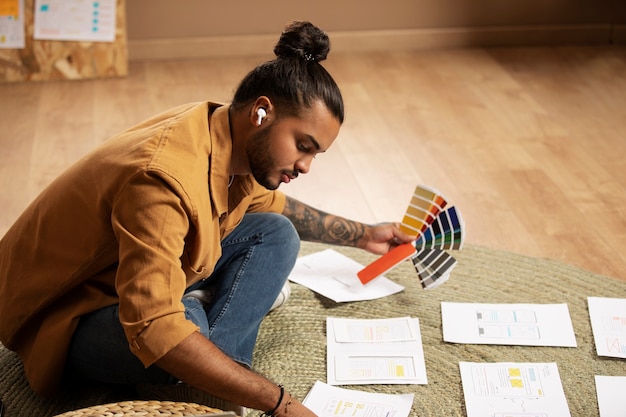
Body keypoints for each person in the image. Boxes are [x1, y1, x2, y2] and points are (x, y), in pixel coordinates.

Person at [0, 21, 414, 416]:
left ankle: (209, 369)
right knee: (181, 330)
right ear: (261, 113)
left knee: (277, 234)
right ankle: (202, 353)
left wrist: (364, 235)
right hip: (63, 315)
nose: (305, 166)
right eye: (302, 146)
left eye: (314, 154)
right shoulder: (161, 178)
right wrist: (279, 402)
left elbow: (276, 208)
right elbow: (154, 328)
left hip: (125, 276)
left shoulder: (225, 134)